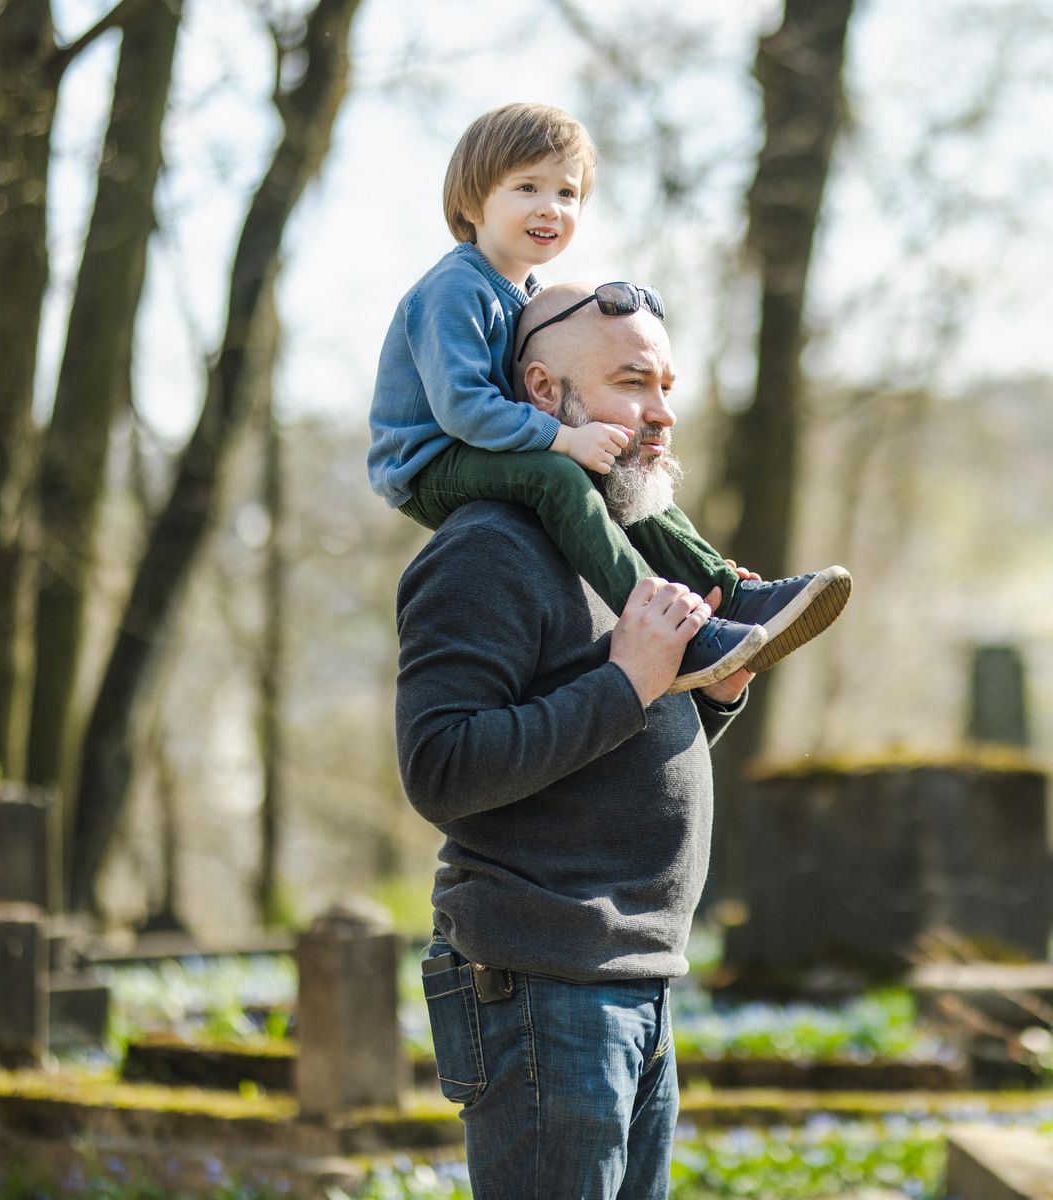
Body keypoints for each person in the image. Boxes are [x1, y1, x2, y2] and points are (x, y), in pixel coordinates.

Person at [397, 284, 751, 1198]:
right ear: (543, 391)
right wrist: (631, 679)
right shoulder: (488, 546)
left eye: (668, 385)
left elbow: (610, 753)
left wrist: (712, 696)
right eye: (632, 383)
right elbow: (441, 767)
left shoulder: (621, 551)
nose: (662, 415)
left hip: (635, 980)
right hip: (542, 987)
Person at [369, 102, 849, 692]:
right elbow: (462, 408)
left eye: (567, 193)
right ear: (471, 203)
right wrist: (566, 438)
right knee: (557, 476)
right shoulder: (454, 289)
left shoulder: (527, 295)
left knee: (628, 461)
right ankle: (672, 628)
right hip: (429, 462)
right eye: (527, 187)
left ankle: (729, 591)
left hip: (490, 446)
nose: (551, 207)